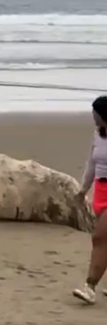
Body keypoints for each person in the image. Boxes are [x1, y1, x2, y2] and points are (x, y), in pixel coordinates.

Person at [73, 96, 107, 304]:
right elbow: (91, 165)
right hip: (101, 190)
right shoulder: (98, 135)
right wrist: (82, 190)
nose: (92, 116)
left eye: (95, 113)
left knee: (100, 238)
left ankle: (90, 287)